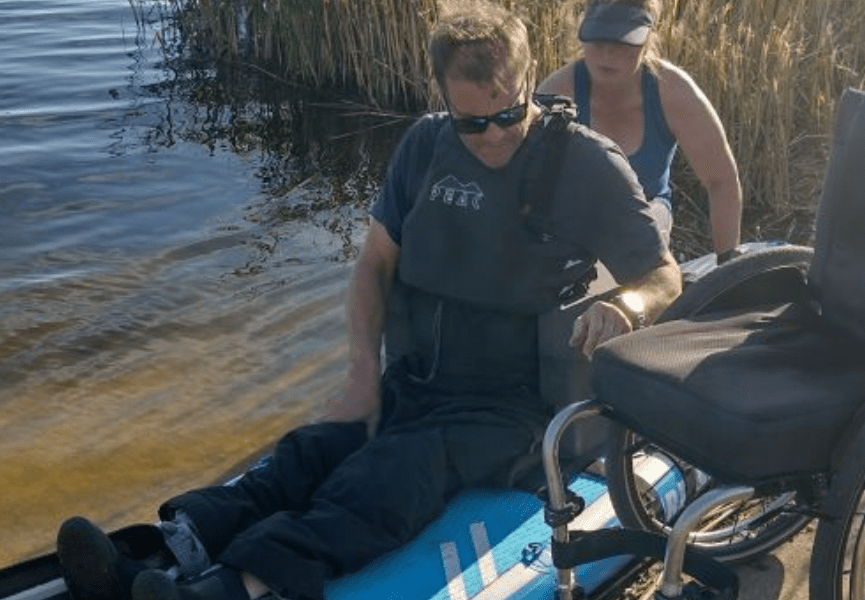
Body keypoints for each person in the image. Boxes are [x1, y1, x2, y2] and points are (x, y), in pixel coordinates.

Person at [53, 2, 682, 599]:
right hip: (421, 376)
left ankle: (236, 586)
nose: (490, 137)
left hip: (513, 406)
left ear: (526, 82)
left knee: (391, 473)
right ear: (440, 97)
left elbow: (663, 274)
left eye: (505, 116)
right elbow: (374, 265)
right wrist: (362, 375)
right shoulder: (423, 147)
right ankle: (166, 550)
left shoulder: (587, 163)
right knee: (313, 450)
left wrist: (625, 305)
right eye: (470, 123)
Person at [537, 0, 743, 260]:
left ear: (647, 39)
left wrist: (727, 265)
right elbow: (523, 186)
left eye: (623, 40)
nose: (607, 52)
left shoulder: (673, 91)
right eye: (598, 38)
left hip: (647, 220)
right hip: (574, 226)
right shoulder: (556, 94)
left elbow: (721, 180)